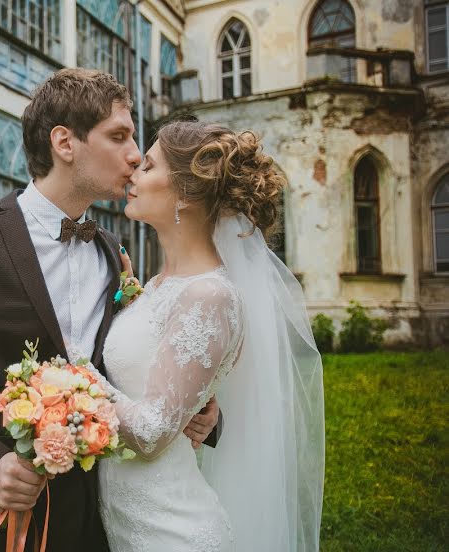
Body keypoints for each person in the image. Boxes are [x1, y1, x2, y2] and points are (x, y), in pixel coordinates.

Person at [0, 69, 223, 551]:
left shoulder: (113, 253)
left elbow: (127, 362)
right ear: (65, 143)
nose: (135, 155)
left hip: (94, 518)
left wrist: (198, 408)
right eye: (119, 136)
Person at [94, 120, 325, 551]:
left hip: (171, 533)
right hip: (128, 525)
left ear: (185, 192)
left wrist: (71, 375)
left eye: (147, 166)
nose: (133, 174)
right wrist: (133, 300)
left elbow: (150, 432)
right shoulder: (163, 286)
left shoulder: (210, 296)